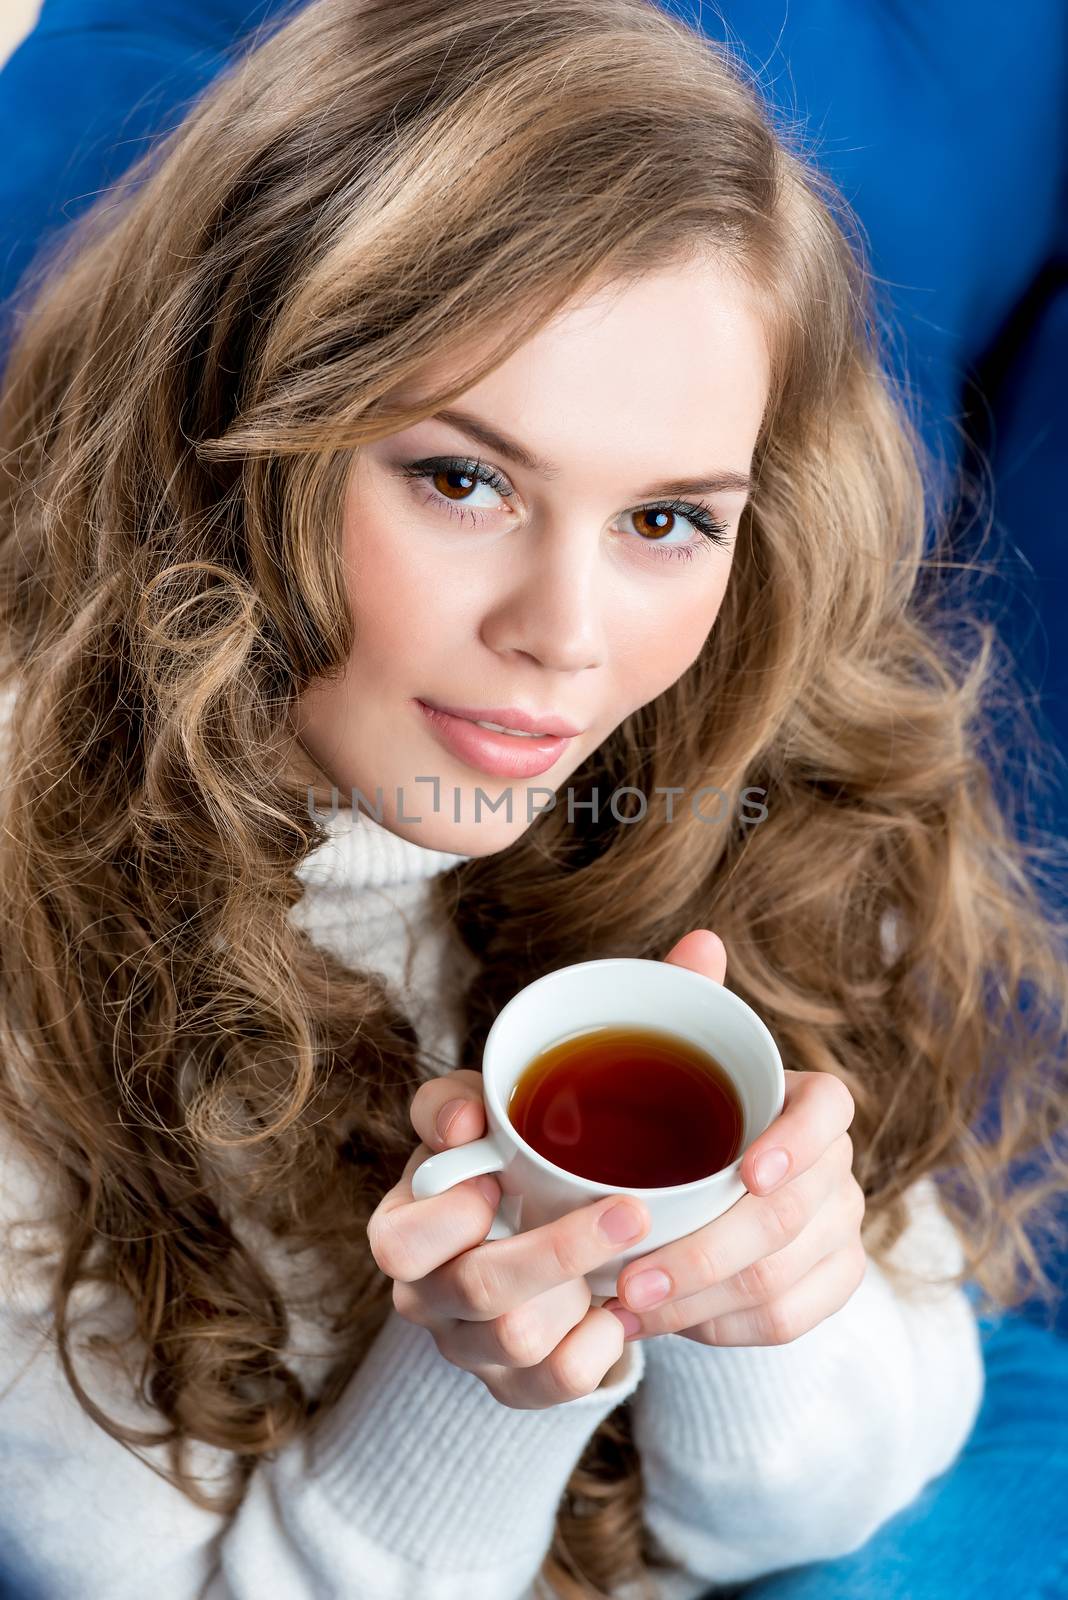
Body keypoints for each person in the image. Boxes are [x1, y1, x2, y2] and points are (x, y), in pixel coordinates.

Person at [0, 3, 1065, 1598]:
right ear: (231, 423)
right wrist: (474, 1386)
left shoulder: (747, 752)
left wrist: (769, 1300)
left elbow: (818, 1506)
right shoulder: (27, 911)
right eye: (463, 478)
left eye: (664, 518)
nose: (567, 639)